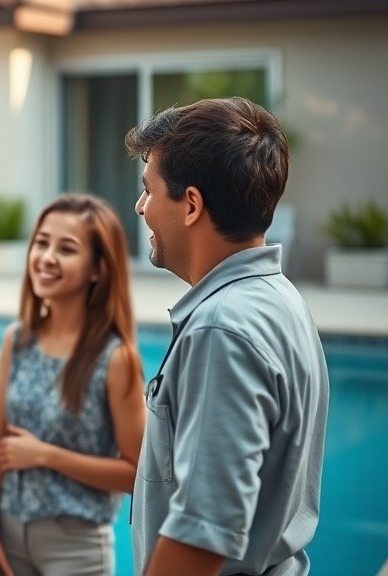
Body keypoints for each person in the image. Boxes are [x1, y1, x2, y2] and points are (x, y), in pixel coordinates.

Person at [126, 97, 329, 575]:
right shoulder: (280, 300)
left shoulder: (223, 330)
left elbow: (202, 534)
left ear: (191, 204)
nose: (140, 208)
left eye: (149, 191)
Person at [0, 194, 146, 576]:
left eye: (66, 248)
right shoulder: (16, 340)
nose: (47, 257)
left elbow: (138, 473)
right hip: (8, 536)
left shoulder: (115, 359)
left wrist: (46, 455)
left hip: (75, 548)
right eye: (41, 242)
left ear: (98, 269)